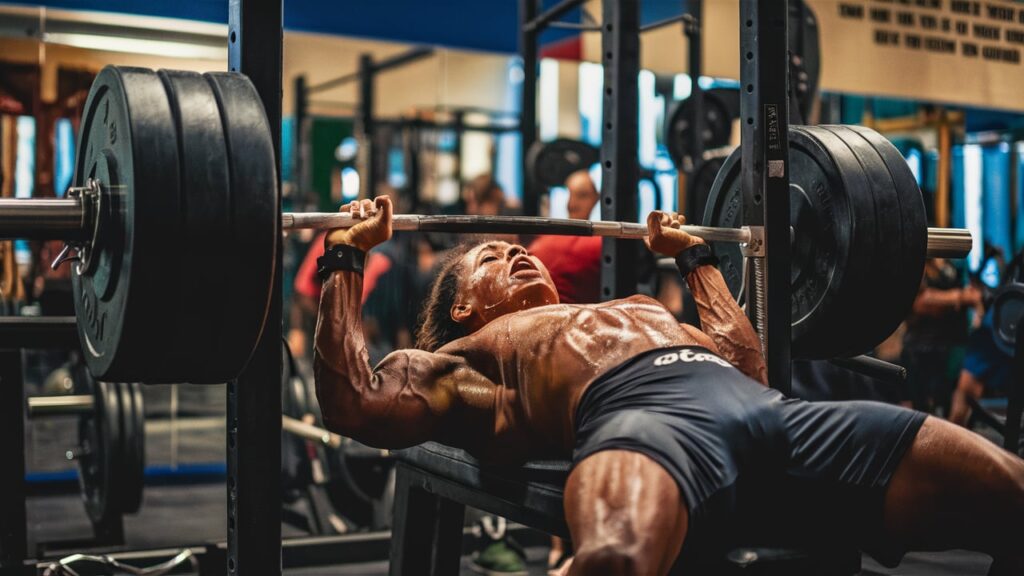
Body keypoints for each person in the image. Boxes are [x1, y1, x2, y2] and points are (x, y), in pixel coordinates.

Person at [315, 196, 1024, 575]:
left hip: (770, 411)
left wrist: (696, 259)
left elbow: (749, 365)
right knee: (616, 561)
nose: (521, 254)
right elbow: (354, 397)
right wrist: (343, 257)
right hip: (644, 425)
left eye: (522, 248)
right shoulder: (466, 355)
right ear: (464, 306)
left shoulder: (622, 305)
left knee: (1010, 492)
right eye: (496, 258)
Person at [900, 258, 981, 414]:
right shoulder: (919, 261)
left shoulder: (951, 263)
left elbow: (974, 295)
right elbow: (919, 303)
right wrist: (960, 297)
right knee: (923, 411)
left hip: (952, 345)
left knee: (953, 404)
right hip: (922, 348)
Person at [528, 170, 602, 304]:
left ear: (597, 199)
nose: (572, 204)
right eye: (569, 194)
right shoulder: (542, 243)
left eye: (582, 195)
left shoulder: (539, 244)